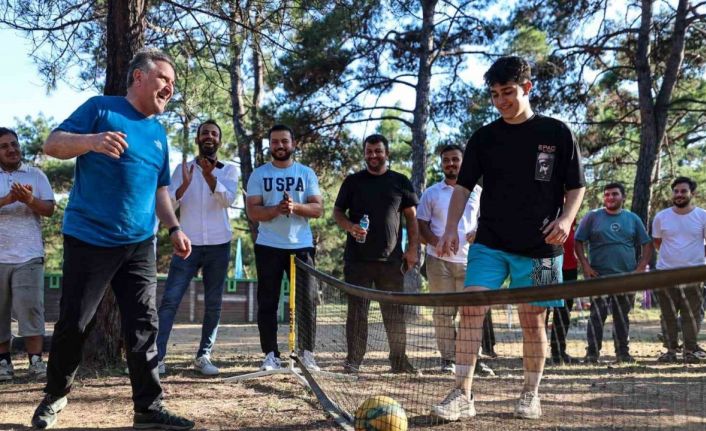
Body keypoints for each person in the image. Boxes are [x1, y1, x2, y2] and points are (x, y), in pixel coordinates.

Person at [31, 48, 195, 430]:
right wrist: (91, 141)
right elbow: (52, 144)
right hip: (90, 237)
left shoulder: (158, 133)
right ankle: (55, 396)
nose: (170, 89)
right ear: (139, 77)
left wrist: (174, 227)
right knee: (74, 323)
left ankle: (149, 409)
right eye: (164, 80)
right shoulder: (100, 108)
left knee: (143, 324)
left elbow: (160, 191)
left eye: (173, 84)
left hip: (139, 243)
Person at [431, 56, 586, 421]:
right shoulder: (483, 138)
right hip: (490, 242)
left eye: (508, 92)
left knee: (533, 322)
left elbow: (576, 185)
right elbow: (463, 187)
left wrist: (566, 219)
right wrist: (451, 227)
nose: (501, 101)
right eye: (495, 94)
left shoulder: (557, 132)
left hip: (543, 247)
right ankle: (461, 395)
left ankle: (530, 394)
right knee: (471, 311)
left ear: (527, 88)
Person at [156, 120, 239, 376]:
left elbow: (228, 200)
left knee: (213, 304)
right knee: (170, 300)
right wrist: (183, 186)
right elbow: (167, 204)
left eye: (214, 133)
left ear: (219, 141)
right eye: (205, 133)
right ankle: (157, 358)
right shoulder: (182, 169)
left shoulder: (229, 170)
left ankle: (203, 356)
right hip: (187, 244)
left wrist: (208, 176)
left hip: (218, 245)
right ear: (197, 139)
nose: (209, 137)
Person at [333, 133, 421, 375]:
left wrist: (413, 249)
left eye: (378, 151)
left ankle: (399, 361)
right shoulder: (353, 181)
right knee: (357, 313)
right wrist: (350, 226)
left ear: (387, 153)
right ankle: (353, 361)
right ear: (364, 154)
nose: (373, 156)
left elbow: (412, 219)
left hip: (392, 261)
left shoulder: (400, 181)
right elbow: (338, 211)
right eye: (369, 152)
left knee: (394, 313)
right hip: (357, 261)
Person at [246, 124, 323, 372]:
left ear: (293, 144)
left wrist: (294, 208)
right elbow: (253, 211)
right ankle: (270, 354)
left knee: (307, 301)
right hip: (268, 246)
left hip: (301, 246)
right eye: (275, 141)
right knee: (267, 301)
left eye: (284, 141)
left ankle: (307, 353)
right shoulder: (259, 174)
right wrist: (275, 210)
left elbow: (317, 209)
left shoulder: (306, 173)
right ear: (270, 145)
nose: (280, 146)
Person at [417, 144, 494, 376]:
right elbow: (420, 224)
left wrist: (478, 232)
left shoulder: (478, 192)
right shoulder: (431, 193)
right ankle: (448, 359)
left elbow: (488, 221)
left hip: (471, 261)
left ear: (463, 162)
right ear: (441, 164)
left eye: (455, 160)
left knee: (471, 312)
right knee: (443, 312)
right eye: (446, 160)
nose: (450, 164)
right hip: (438, 262)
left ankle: (474, 359)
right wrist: (434, 242)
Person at [575, 182, 652, 364]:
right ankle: (592, 354)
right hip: (599, 277)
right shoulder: (592, 217)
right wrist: (585, 265)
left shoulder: (633, 219)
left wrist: (640, 269)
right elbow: (578, 242)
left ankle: (623, 353)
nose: (610, 197)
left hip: (626, 278)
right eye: (607, 194)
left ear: (623, 197)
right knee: (596, 315)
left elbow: (647, 244)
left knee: (621, 316)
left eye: (615, 194)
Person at [0, 127, 55, 382]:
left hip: (29, 255)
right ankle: (4, 364)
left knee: (31, 309)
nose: (11, 149)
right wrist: (8, 199)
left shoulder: (36, 175)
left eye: (14, 144)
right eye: (4, 146)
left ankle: (35, 362)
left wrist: (30, 200)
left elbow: (49, 210)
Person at [652, 176, 706, 363]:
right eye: (676, 191)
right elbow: (657, 243)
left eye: (683, 191)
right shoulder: (661, 217)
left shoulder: (702, 216)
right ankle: (670, 351)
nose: (679, 195)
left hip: (694, 274)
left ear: (692, 193)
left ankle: (690, 350)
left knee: (692, 314)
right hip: (666, 274)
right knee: (668, 314)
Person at [546, 219, 580, 365]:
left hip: (569, 267)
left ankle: (558, 351)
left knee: (564, 312)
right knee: (541, 309)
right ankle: (535, 350)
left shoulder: (571, 211)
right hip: (546, 263)